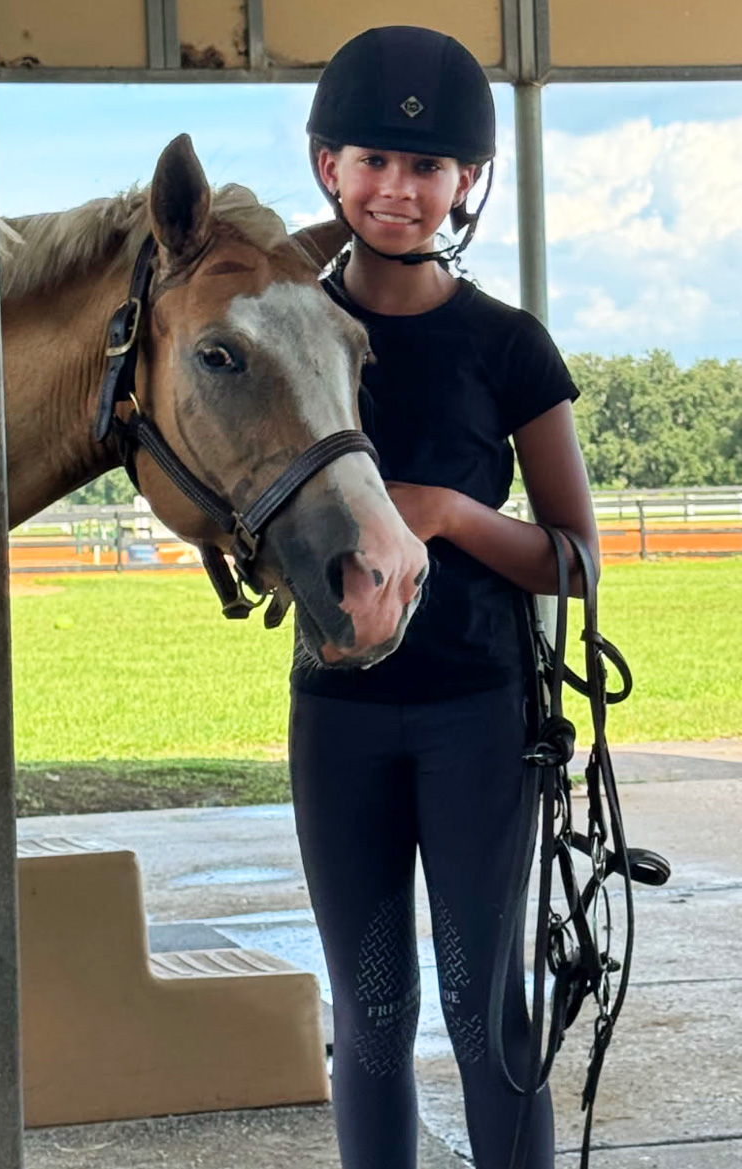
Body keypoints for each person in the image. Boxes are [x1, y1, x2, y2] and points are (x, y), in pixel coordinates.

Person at [289, 25, 599, 1169]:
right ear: (328, 165)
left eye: (425, 168)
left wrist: (451, 511)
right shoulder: (298, 334)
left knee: (483, 1007)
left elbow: (575, 557)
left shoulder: (506, 344)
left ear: (466, 181)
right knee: (368, 1014)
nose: (397, 189)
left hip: (478, 711)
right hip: (339, 712)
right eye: (373, 160)